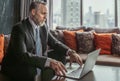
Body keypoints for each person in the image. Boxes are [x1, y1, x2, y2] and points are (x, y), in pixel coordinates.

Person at [1, 1, 83, 81]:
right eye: (43, 13)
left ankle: (57, 75)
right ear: (33, 12)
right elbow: (23, 55)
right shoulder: (19, 28)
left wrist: (71, 52)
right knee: (30, 71)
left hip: (36, 57)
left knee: (61, 55)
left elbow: (54, 43)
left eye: (46, 14)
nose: (45, 17)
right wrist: (48, 61)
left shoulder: (43, 27)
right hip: (18, 63)